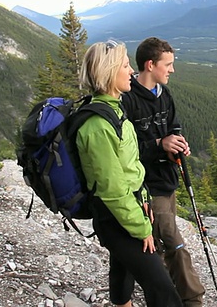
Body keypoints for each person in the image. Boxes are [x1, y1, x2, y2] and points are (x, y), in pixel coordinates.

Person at [76, 39, 183, 307]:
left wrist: (143, 200)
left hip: (128, 211)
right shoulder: (98, 125)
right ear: (110, 72)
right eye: (125, 66)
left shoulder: (114, 110)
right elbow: (113, 189)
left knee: (122, 266)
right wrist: (142, 227)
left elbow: (131, 167)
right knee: (163, 290)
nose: (131, 73)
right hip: (117, 219)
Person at [121, 37, 206, 307]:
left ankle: (160, 293)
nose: (172, 70)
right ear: (150, 64)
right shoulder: (128, 98)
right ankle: (191, 300)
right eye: (167, 64)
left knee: (158, 243)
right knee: (173, 240)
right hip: (146, 186)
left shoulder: (164, 94)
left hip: (168, 181)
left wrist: (176, 145)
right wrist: (160, 145)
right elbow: (125, 151)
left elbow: (174, 126)